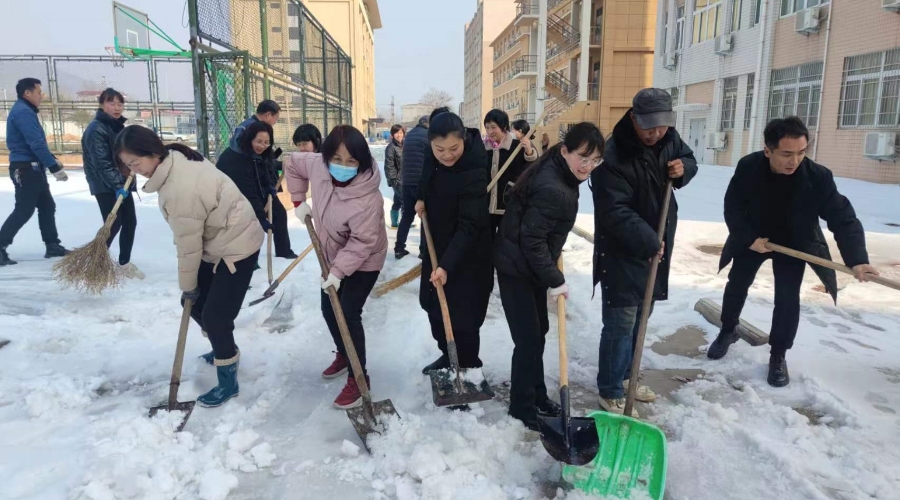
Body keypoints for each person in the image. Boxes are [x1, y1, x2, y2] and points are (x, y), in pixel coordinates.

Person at [708, 117, 878, 387]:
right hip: (755, 237)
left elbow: (842, 217)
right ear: (768, 150)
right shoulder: (749, 167)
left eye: (801, 152)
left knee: (787, 298)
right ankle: (728, 330)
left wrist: (858, 260)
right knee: (737, 284)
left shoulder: (817, 177)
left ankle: (778, 354)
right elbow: (733, 206)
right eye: (786, 154)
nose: (794, 160)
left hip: (793, 243)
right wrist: (749, 238)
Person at [114, 125, 263, 408]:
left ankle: (228, 382)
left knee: (215, 315)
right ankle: (224, 347)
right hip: (218, 239)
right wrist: (191, 290)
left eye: (135, 163)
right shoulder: (173, 160)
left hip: (237, 245)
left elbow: (188, 244)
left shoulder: (180, 188)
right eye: (127, 165)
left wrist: (190, 286)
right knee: (194, 304)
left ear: (153, 152)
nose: (134, 170)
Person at [591, 88, 697, 415]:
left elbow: (688, 158)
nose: (656, 133)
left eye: (662, 126)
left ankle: (627, 377)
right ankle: (610, 389)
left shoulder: (669, 139)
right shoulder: (612, 155)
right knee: (621, 323)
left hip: (656, 247)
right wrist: (650, 240)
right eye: (649, 126)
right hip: (623, 252)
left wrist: (684, 169)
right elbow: (614, 212)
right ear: (634, 117)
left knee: (641, 318)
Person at [495, 122, 605, 430]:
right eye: (583, 157)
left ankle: (537, 394)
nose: (588, 165)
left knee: (538, 331)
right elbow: (532, 242)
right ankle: (521, 406)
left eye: (595, 159)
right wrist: (555, 279)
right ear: (566, 150)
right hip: (516, 267)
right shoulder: (554, 187)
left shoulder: (559, 169)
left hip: (526, 264)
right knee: (528, 340)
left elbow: (538, 234)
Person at [284, 125, 388, 409]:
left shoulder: (368, 198)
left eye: (352, 161)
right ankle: (344, 353)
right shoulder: (317, 165)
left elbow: (362, 241)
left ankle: (359, 375)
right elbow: (291, 163)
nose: (343, 166)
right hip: (330, 253)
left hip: (365, 259)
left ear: (362, 161)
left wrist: (338, 273)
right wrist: (298, 200)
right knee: (328, 307)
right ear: (327, 156)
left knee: (348, 311)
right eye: (337, 159)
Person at [413, 112, 492, 378]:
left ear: (464, 142)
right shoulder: (431, 158)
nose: (447, 155)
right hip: (436, 247)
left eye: (454, 148)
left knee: (463, 320)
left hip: (467, 256)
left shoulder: (474, 169)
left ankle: (469, 370)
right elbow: (424, 179)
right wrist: (420, 198)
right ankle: (448, 356)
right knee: (434, 309)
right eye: (440, 149)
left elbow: (470, 225)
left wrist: (447, 265)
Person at [0, 78, 70, 266]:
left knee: (47, 206)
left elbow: (37, 143)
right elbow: (35, 143)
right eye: (38, 92)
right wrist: (54, 167)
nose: (41, 96)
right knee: (24, 209)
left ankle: (52, 245)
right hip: (25, 169)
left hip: (33, 167)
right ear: (27, 93)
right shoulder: (23, 112)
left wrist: (50, 159)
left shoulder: (25, 111)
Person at [81, 88, 143, 279]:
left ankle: (124, 263)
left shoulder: (116, 126)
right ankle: (96, 263)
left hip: (121, 183)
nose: (116, 108)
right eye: (111, 103)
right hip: (105, 185)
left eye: (120, 104)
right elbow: (102, 163)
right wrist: (117, 185)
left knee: (130, 221)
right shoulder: (96, 129)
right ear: (102, 104)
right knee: (113, 225)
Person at [396, 108, 449, 259]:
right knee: (424, 214)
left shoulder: (409, 136)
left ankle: (399, 247)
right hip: (421, 182)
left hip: (406, 182)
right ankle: (423, 250)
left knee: (407, 215)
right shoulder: (429, 136)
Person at [484, 109, 537, 237]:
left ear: (504, 127)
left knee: (506, 243)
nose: (490, 131)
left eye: (493, 127)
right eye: (487, 127)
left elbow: (531, 171)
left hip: (508, 204)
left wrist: (529, 152)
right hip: (486, 205)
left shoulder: (517, 146)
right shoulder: (483, 148)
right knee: (486, 243)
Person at [384, 124, 405, 228]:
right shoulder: (391, 148)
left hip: (404, 178)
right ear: (392, 135)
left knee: (397, 200)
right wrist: (393, 180)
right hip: (396, 180)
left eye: (401, 133)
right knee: (405, 200)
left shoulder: (405, 145)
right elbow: (389, 166)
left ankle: (394, 223)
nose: (399, 135)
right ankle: (405, 222)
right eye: (397, 133)